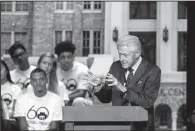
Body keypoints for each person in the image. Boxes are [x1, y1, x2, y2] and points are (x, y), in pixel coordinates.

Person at [82, 35, 161, 131]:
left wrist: (123, 89)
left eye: (125, 55)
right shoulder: (115, 67)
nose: (121, 58)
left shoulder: (152, 71)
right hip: (118, 125)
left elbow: (148, 101)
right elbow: (106, 98)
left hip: (141, 127)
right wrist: (99, 86)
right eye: (120, 54)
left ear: (137, 54)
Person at [55, 41, 93, 106]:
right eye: (63, 57)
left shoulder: (82, 69)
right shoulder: (54, 71)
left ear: (73, 57)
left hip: (81, 101)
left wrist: (64, 99)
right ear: (58, 59)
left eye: (69, 57)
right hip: (60, 102)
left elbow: (82, 92)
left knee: (79, 101)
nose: (66, 60)